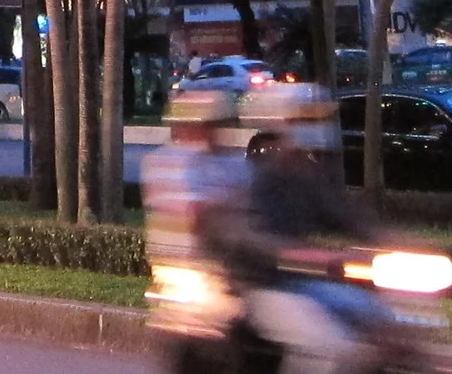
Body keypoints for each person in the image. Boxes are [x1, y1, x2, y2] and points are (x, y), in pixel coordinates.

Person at [213, 86, 386, 374]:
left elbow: (350, 219)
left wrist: (402, 243)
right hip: (262, 288)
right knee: (330, 348)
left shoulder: (309, 176)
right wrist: (294, 254)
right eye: (305, 119)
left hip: (303, 283)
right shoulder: (254, 176)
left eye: (318, 119)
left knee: (387, 323)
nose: (315, 126)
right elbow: (247, 234)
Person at [143, 87, 250, 365]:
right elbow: (194, 214)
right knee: (222, 318)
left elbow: (251, 206)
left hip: (235, 264)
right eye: (209, 125)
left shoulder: (234, 163)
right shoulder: (166, 163)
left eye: (220, 124)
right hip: (185, 268)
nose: (216, 132)